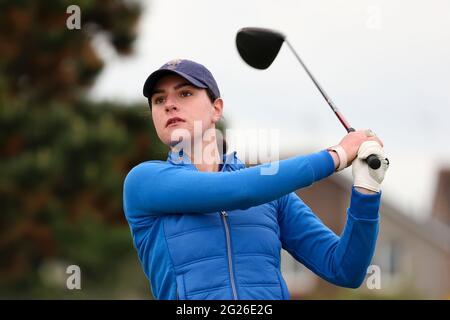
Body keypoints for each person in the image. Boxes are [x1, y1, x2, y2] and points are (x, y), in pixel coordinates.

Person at [123, 59, 389, 300]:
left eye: (185, 93)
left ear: (217, 109)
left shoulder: (273, 196)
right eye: (159, 100)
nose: (169, 104)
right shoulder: (144, 182)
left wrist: (367, 190)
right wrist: (337, 156)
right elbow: (238, 191)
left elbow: (345, 269)